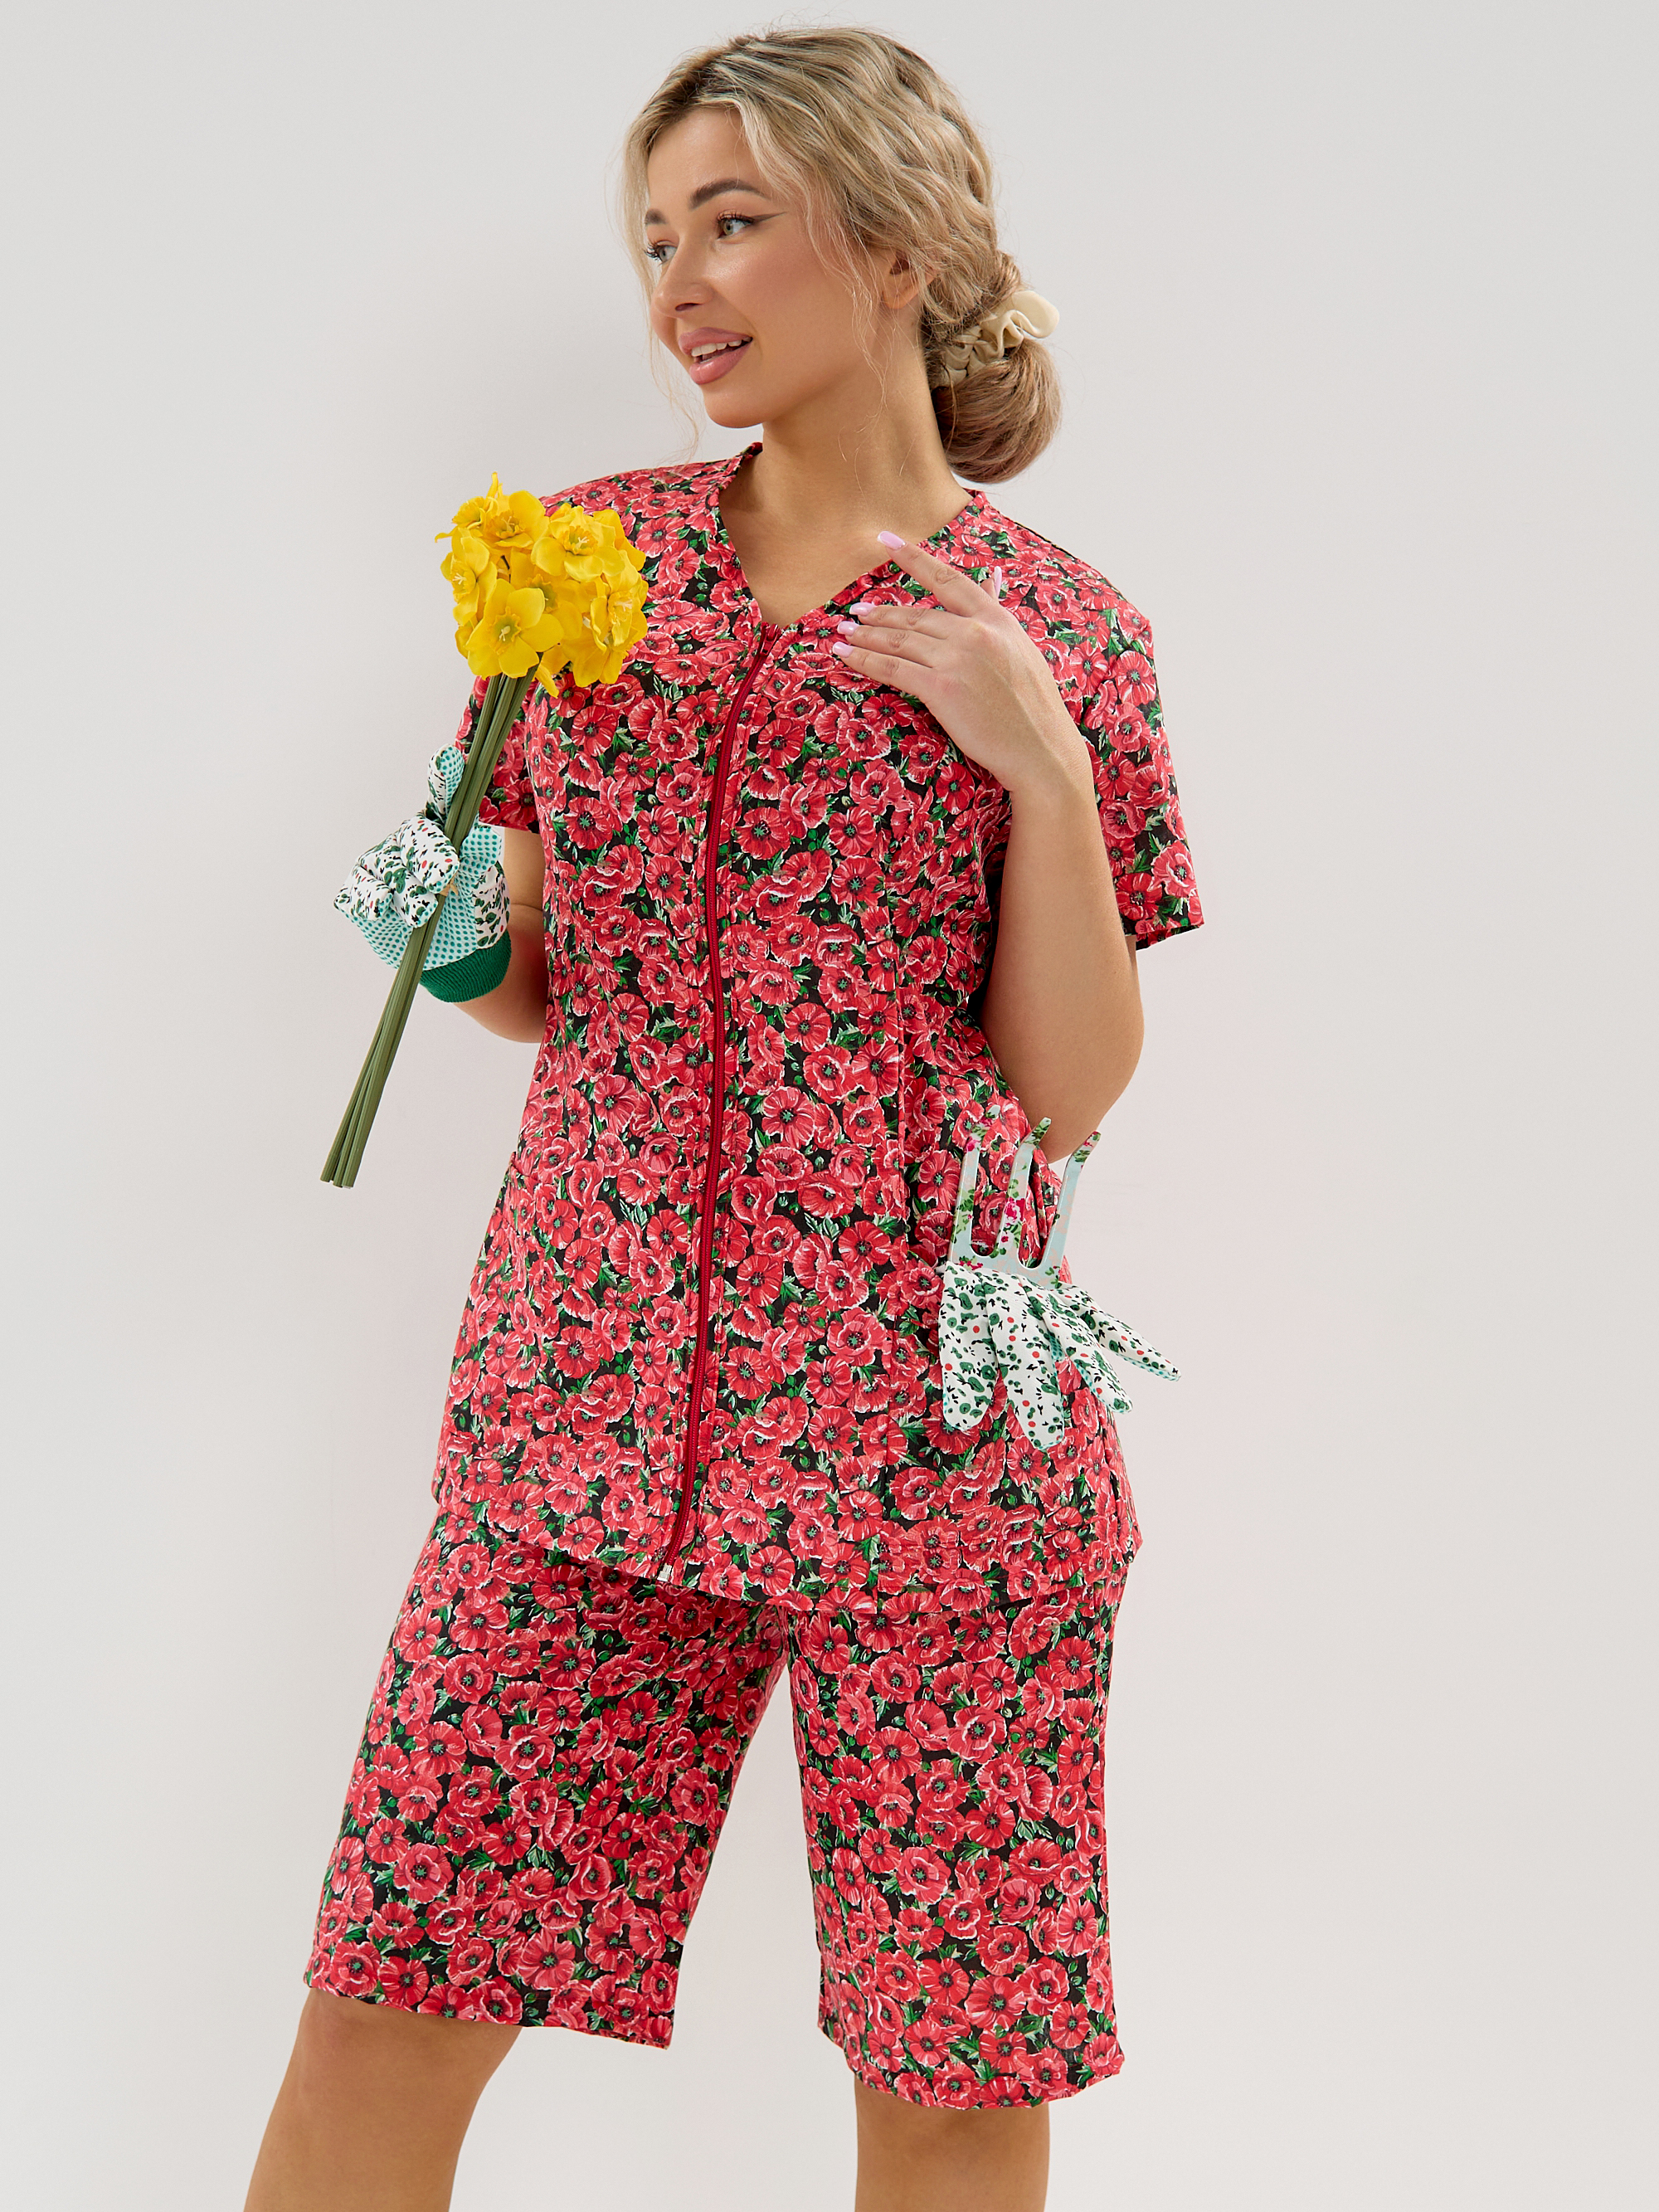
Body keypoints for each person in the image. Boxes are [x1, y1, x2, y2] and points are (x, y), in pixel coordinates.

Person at [246, 26, 1204, 2212]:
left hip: (934, 1457)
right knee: (386, 2002)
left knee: (954, 2072)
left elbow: (1070, 1088)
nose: (680, 283)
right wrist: (438, 919)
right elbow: (539, 982)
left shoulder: (1067, 635)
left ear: (899, 247)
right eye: (657, 238)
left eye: (734, 221)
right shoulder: (585, 571)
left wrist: (1043, 765)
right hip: (585, 1417)